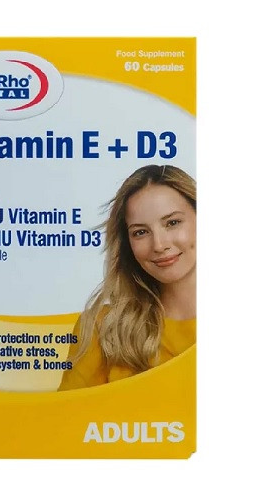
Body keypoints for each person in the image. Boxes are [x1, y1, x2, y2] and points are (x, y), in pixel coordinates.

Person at [58, 164, 196, 390]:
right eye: (140, 232)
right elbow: (68, 412)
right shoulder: (102, 329)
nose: (159, 245)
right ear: (128, 244)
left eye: (172, 223)